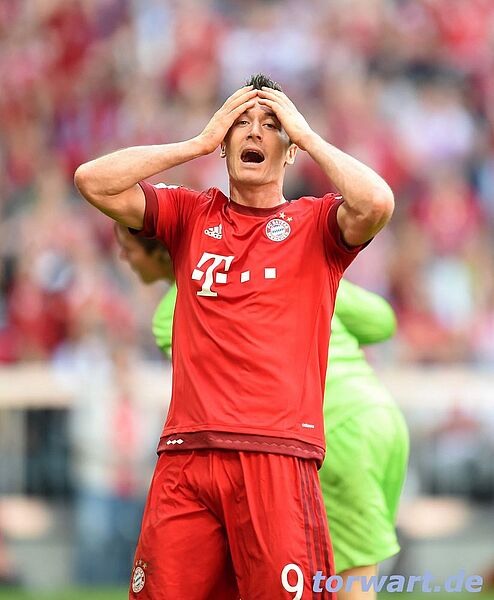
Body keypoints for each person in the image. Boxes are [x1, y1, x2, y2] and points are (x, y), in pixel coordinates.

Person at [75, 73, 394, 600]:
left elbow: (376, 203)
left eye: (271, 125)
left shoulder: (315, 224)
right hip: (186, 456)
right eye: (241, 122)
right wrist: (195, 144)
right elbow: (93, 180)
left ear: (289, 150)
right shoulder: (190, 214)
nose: (254, 132)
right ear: (225, 143)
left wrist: (307, 135)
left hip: (277, 456)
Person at [115, 225, 409, 600]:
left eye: (127, 247)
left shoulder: (173, 309)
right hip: (380, 417)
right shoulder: (288, 266)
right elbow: (381, 321)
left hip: (322, 432)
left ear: (162, 250)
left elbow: (211, 402)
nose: (123, 257)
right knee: (347, 570)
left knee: (334, 583)